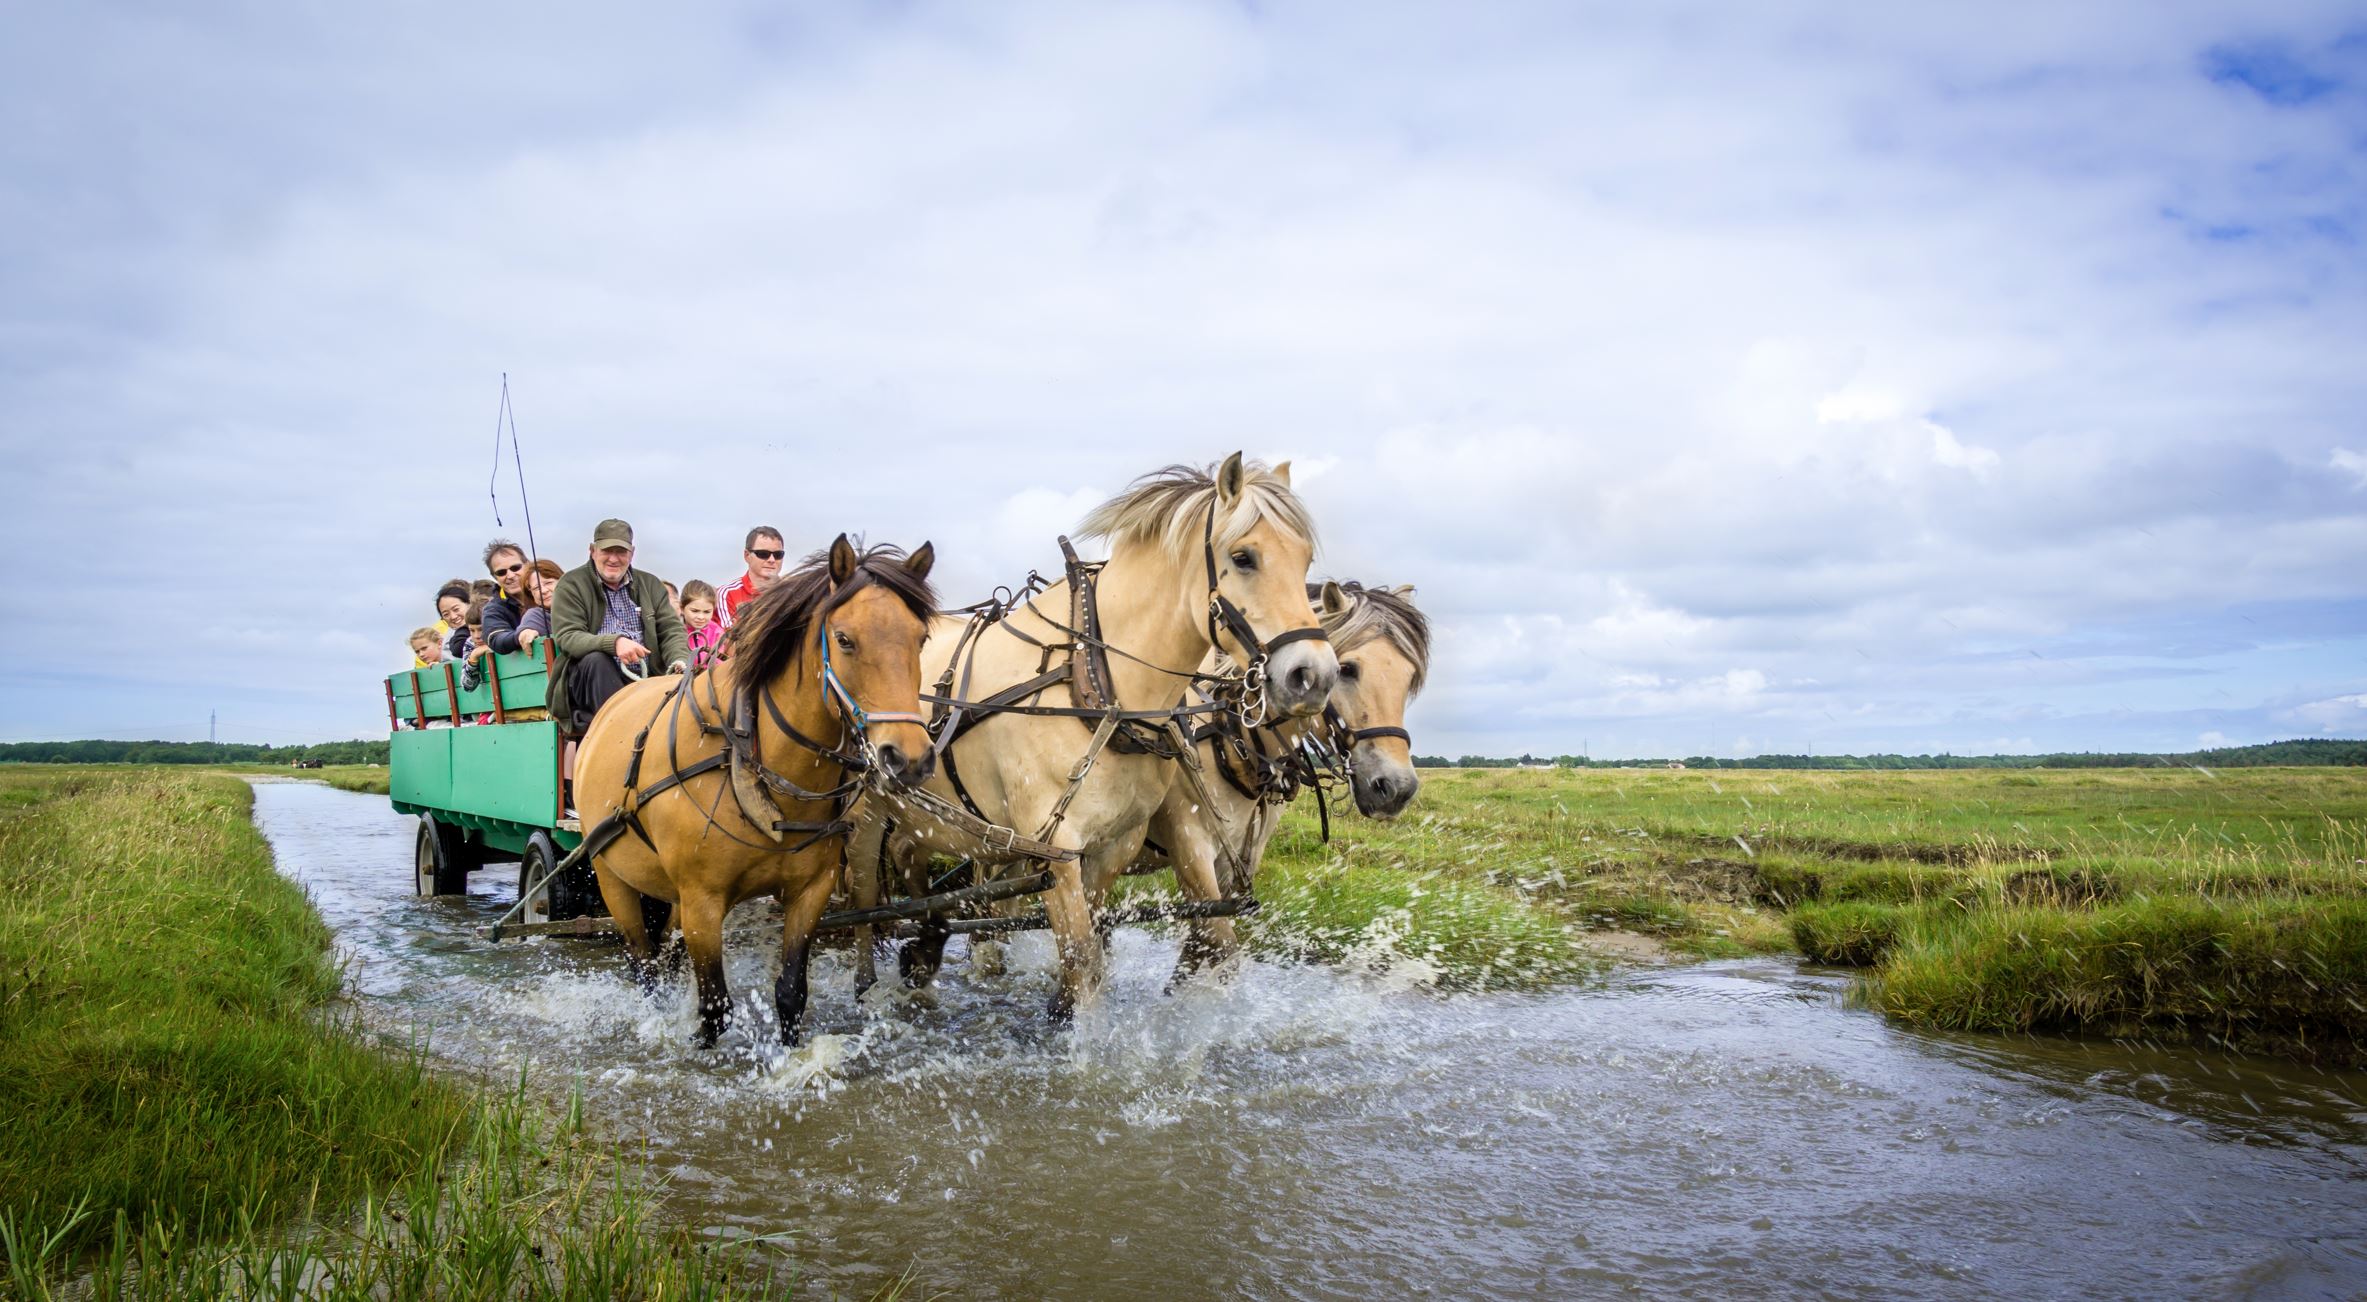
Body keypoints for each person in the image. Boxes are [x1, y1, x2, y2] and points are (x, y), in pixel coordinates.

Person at [547, 518, 688, 735]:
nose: (614, 558)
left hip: (646, 678)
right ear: (592, 551)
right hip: (590, 680)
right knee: (596, 660)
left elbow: (671, 630)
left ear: (632, 554)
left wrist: (679, 660)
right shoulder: (571, 584)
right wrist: (615, 643)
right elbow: (568, 637)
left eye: (621, 552)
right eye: (606, 551)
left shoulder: (650, 584)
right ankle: (624, 735)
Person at [717, 525, 785, 627]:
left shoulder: (795, 592)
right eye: (763, 554)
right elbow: (729, 639)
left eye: (778, 554)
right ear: (747, 555)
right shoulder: (727, 593)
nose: (772, 560)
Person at [479, 539, 532, 654]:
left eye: (515, 568)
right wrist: (521, 635)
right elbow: (496, 639)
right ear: (494, 576)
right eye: (501, 572)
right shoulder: (493, 609)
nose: (510, 575)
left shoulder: (548, 593)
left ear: (527, 565)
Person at [515, 558, 565, 652]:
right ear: (531, 595)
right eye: (536, 588)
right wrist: (526, 632)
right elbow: (527, 627)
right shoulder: (536, 615)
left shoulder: (582, 603)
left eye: (548, 583)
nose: (543, 591)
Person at [680, 579, 725, 669]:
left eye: (707, 612)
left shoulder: (717, 632)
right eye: (695, 611)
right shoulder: (675, 631)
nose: (701, 617)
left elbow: (719, 662)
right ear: (682, 608)